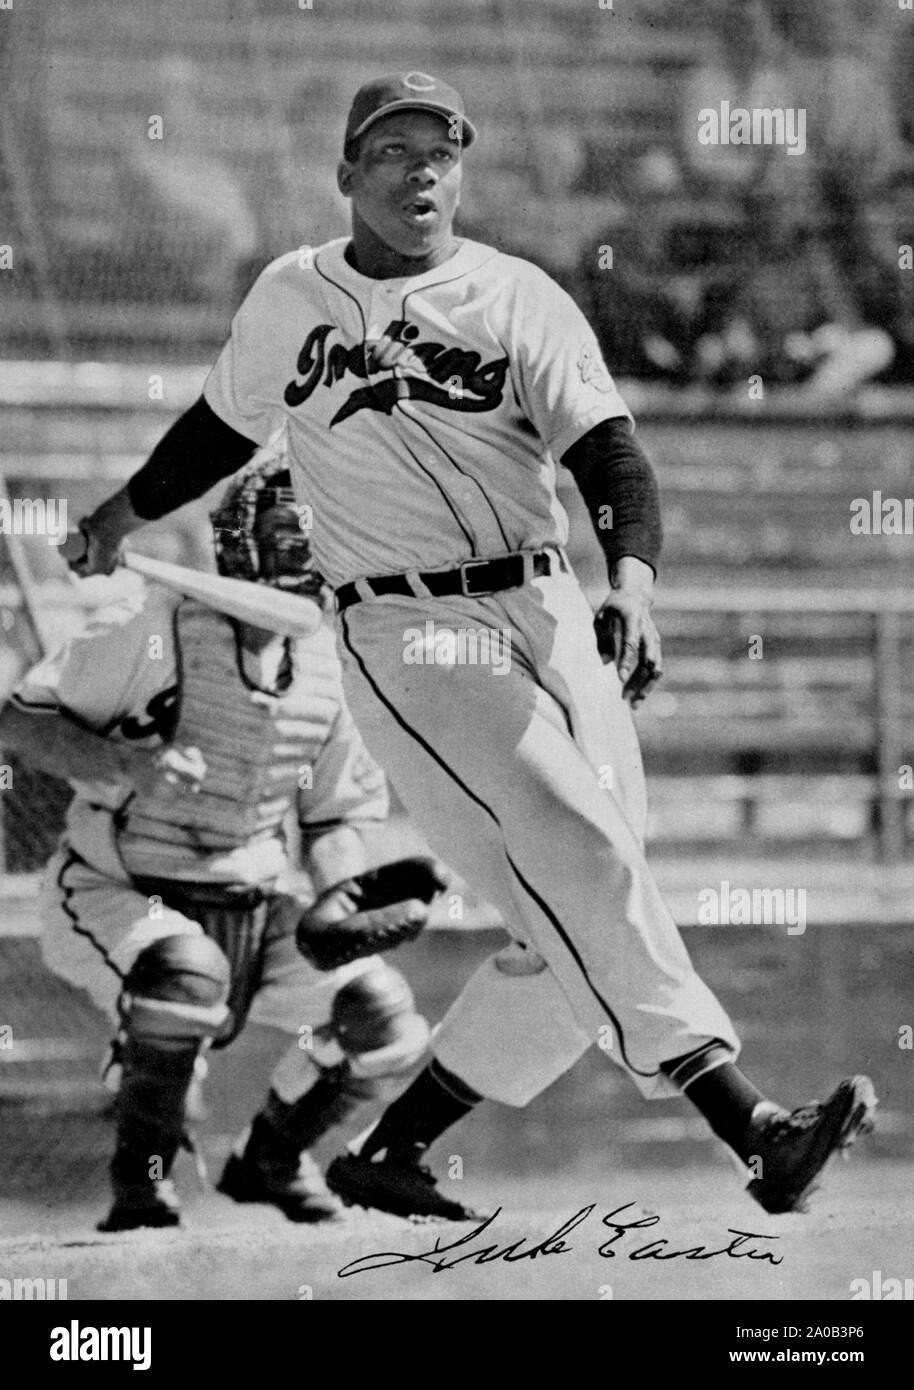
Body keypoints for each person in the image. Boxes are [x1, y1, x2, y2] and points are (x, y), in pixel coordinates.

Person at [67, 72, 876, 1221]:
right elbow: (216, 428)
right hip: (408, 630)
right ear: (347, 173)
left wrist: (631, 584)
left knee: (580, 914)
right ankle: (749, 1126)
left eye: (441, 151)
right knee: (587, 860)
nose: (422, 170)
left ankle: (391, 1150)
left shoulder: (518, 296)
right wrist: (117, 517)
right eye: (393, 150)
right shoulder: (292, 294)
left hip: (548, 612)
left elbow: (607, 454)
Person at [0, 454, 442, 1231]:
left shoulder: (336, 665)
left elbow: (336, 817)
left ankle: (269, 1157)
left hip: (254, 900)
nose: (307, 548)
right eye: (288, 532)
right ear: (241, 541)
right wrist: (125, 762)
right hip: (117, 887)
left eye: (323, 532)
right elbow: (16, 720)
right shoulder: (151, 622)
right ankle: (141, 1189)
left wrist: (338, 904)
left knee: (387, 1019)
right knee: (184, 978)